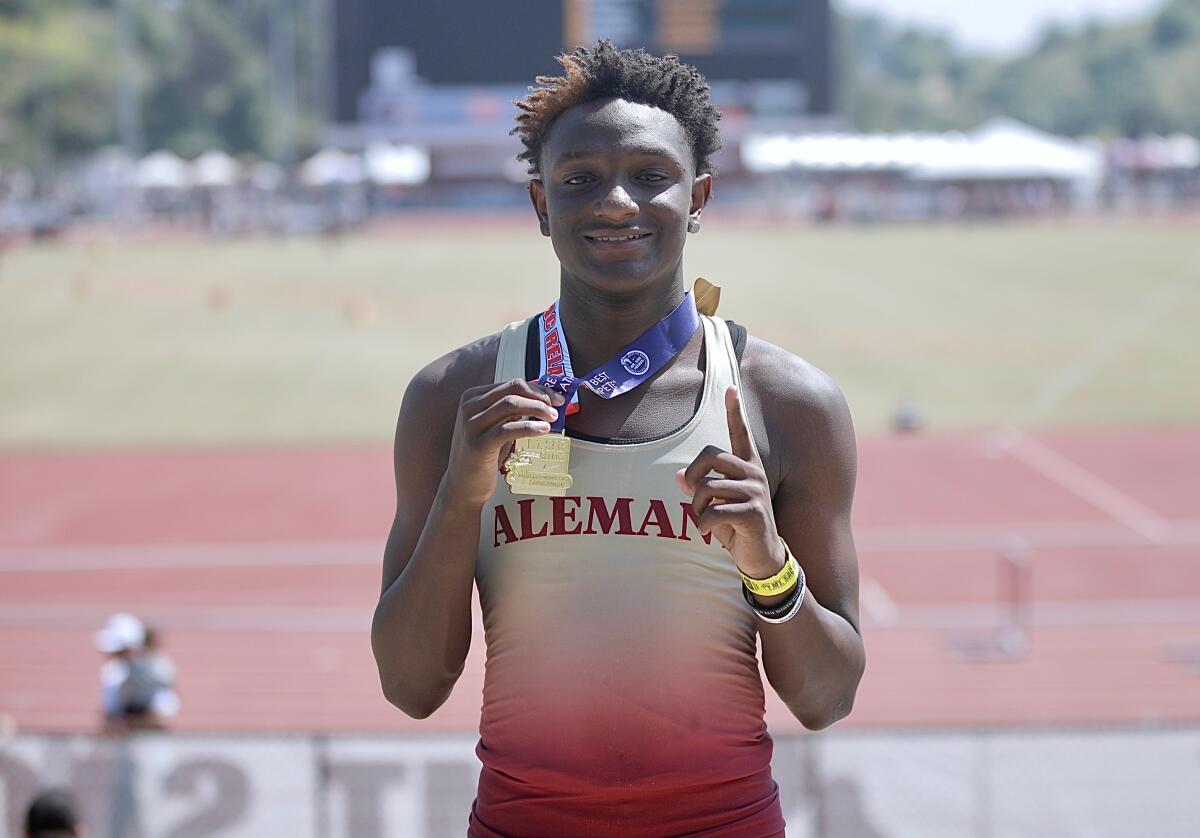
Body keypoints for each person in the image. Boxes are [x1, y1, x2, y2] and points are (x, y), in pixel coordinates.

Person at [372, 40, 865, 836]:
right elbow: (410, 685)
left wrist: (769, 569)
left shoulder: (786, 402)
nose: (615, 203)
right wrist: (463, 499)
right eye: (580, 180)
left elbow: (828, 697)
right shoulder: (451, 400)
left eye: (650, 176)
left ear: (698, 195)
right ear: (541, 205)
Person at [94, 613, 177, 733]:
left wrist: (133, 723)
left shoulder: (157, 671)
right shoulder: (112, 673)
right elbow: (108, 717)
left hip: (151, 743)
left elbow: (163, 716)